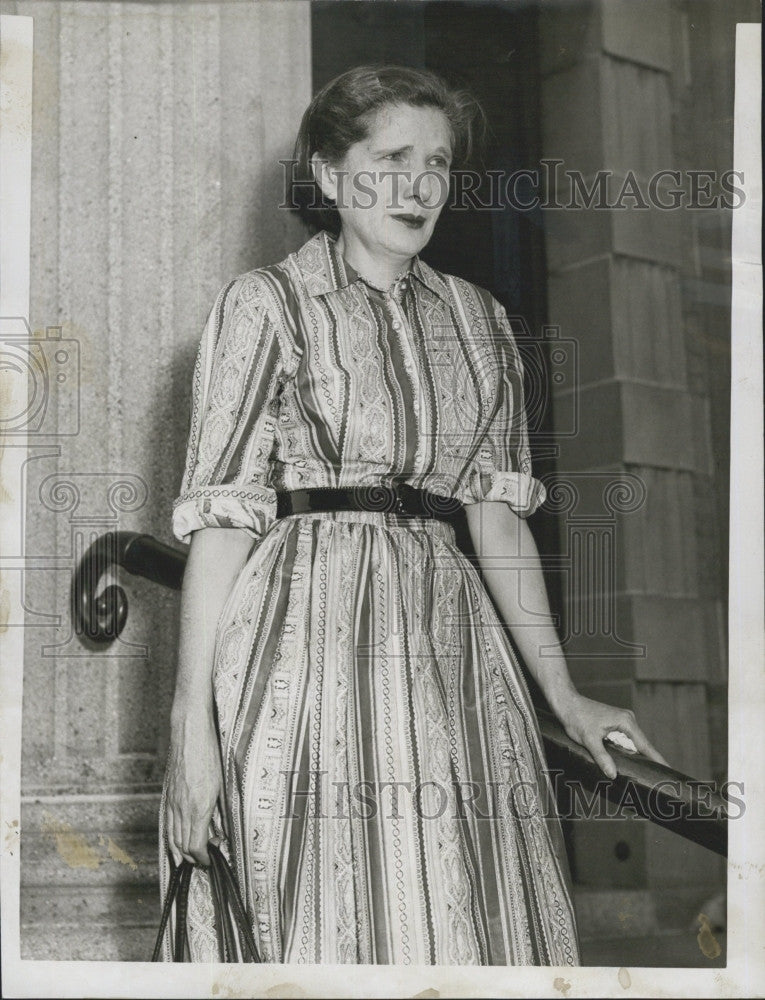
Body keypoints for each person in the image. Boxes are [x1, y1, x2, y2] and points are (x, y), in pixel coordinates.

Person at [159, 64, 668, 966]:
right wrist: (189, 736)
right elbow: (224, 524)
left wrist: (565, 697)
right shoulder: (265, 306)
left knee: (470, 907)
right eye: (390, 157)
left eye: (436, 163)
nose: (419, 186)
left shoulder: (480, 323)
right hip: (301, 654)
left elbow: (498, 522)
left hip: (452, 657)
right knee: (320, 916)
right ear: (327, 173)